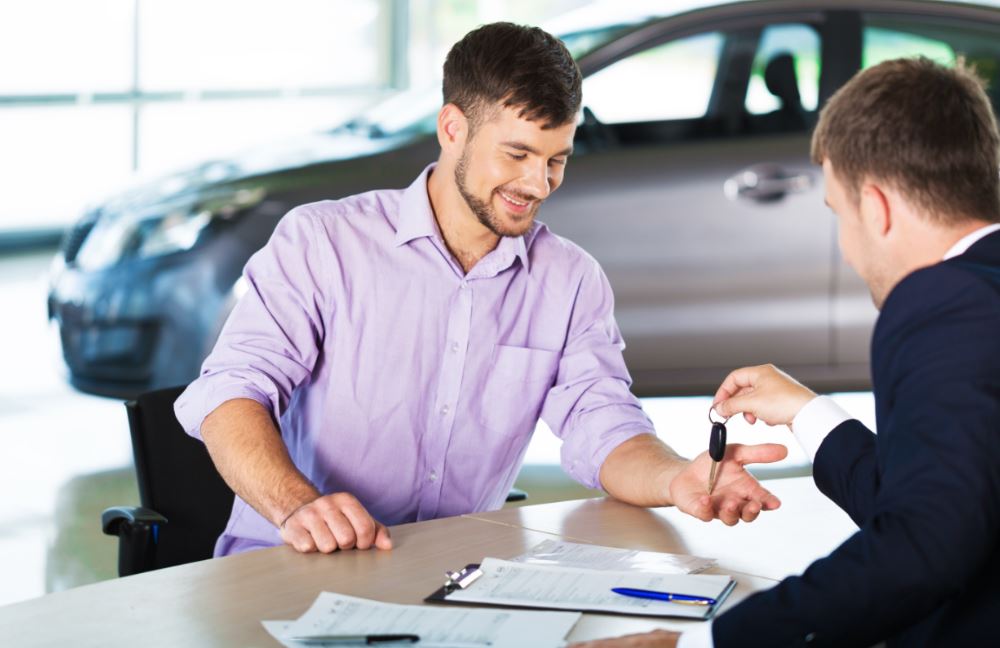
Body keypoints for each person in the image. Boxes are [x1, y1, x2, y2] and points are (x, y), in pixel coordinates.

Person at [174, 22, 787, 558]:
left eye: (556, 159)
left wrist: (676, 477)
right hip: (289, 559)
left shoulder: (569, 280)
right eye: (517, 154)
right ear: (452, 129)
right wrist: (297, 505)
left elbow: (602, 424)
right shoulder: (322, 242)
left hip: (452, 575)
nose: (538, 184)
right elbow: (231, 392)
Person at [571, 57, 1000, 648]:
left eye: (840, 215)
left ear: (877, 208)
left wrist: (703, 643)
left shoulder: (941, 302)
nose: (847, 250)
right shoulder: (981, 292)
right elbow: (943, 502)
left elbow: (921, 547)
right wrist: (805, 411)